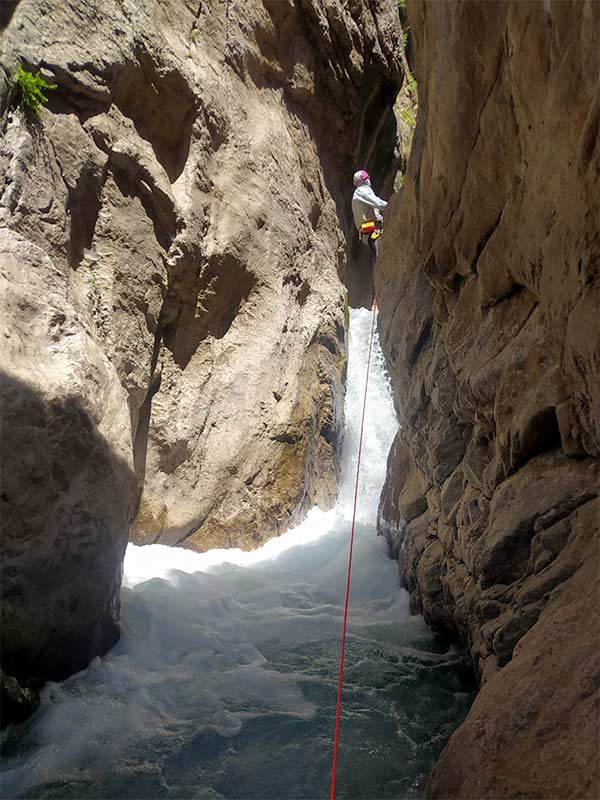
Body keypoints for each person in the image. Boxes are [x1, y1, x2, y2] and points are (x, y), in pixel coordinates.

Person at [352, 170, 387, 258]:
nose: (368, 180)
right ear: (364, 180)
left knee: (379, 257)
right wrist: (392, 205)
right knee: (381, 257)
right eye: (367, 178)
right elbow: (377, 203)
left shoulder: (357, 193)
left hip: (367, 233)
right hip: (373, 230)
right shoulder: (362, 190)